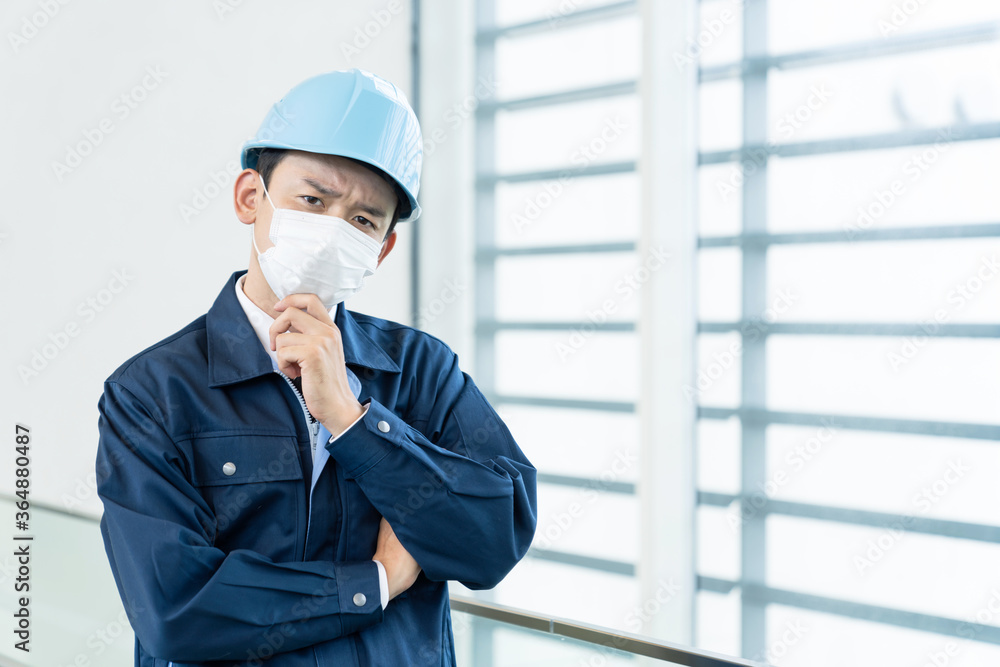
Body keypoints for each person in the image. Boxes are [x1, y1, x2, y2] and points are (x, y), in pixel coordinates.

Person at [95, 68, 537, 666]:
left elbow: (495, 543)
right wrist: (375, 582)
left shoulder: (423, 372)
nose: (331, 232)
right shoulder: (153, 393)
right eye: (313, 200)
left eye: (363, 220)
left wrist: (355, 422)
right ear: (250, 198)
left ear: (381, 248)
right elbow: (175, 609)